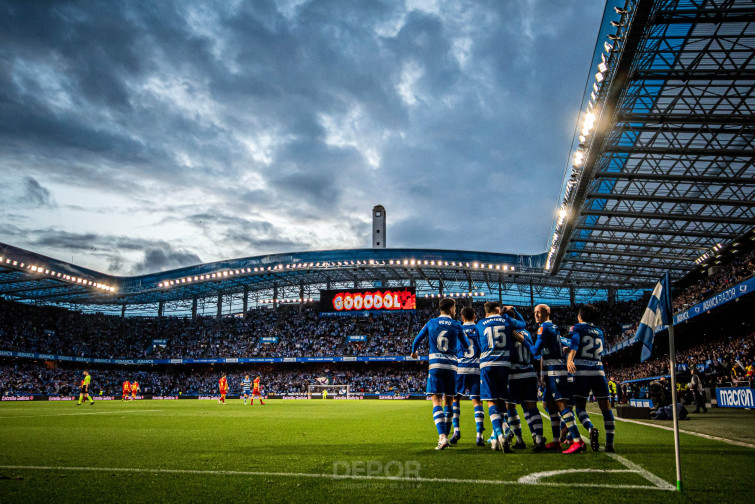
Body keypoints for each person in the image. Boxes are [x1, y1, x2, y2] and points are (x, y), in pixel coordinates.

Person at [411, 297, 469, 450]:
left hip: (435, 365)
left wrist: (413, 352)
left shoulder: (431, 323)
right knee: (449, 402)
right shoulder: (456, 324)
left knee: (436, 400)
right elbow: (466, 345)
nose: (455, 311)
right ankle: (446, 437)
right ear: (451, 309)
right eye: (455, 308)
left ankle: (442, 437)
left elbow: (416, 340)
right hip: (451, 367)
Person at [526, 304, 583, 454]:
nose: (536, 315)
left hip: (556, 371)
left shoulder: (544, 328)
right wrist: (543, 374)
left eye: (539, 312)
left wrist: (523, 340)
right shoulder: (552, 327)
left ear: (547, 313)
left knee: (561, 405)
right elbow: (544, 354)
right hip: (550, 372)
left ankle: (578, 441)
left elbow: (535, 351)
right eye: (535, 313)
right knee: (549, 405)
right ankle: (556, 441)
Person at [476, 301, 526, 452]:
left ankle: (499, 435)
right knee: (502, 400)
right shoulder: (506, 320)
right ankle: (505, 431)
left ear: (487, 312)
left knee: (491, 401)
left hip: (487, 364)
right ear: (498, 309)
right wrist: (514, 309)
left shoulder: (480, 323)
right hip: (504, 365)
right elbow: (522, 324)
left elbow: (480, 344)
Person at [566, 304, 615, 453]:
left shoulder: (577, 328)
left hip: (582, 371)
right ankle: (610, 443)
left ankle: (590, 428)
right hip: (598, 371)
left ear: (580, 316)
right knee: (606, 407)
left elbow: (575, 344)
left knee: (580, 407)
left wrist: (570, 359)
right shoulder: (599, 331)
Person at [450, 306, 485, 446]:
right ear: (475, 317)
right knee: (477, 402)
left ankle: (456, 431)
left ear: (462, 318)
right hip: (476, 369)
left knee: (455, 399)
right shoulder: (479, 329)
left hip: (460, 369)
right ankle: (479, 436)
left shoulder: (457, 328)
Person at [508, 325, 546, 451]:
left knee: (510, 406)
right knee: (531, 407)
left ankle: (519, 439)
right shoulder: (527, 333)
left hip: (515, 374)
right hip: (529, 372)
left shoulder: (509, 332)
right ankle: (539, 438)